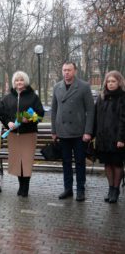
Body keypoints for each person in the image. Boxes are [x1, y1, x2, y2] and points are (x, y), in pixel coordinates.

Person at [51, 62, 95, 201]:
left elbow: (91, 110)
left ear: (75, 71)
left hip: (79, 132)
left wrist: (88, 131)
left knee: (80, 162)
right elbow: (54, 110)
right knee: (66, 162)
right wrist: (54, 130)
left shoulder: (84, 86)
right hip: (62, 131)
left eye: (69, 70)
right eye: (64, 70)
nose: (66, 73)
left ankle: (80, 189)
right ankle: (68, 189)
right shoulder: (57, 87)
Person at [0, 71, 44, 197]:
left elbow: (40, 114)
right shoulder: (8, 98)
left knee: (26, 161)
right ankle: (20, 185)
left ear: (25, 81)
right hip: (14, 135)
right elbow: (2, 114)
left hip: (28, 134)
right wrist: (8, 123)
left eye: (21, 80)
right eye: (16, 80)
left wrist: (29, 119)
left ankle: (26, 187)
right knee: (17, 161)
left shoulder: (33, 97)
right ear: (14, 83)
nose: (19, 82)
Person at [94, 71, 125, 203]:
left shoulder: (123, 97)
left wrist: (121, 138)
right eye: (108, 81)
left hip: (117, 139)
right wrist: (93, 134)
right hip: (103, 138)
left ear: (119, 83)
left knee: (117, 164)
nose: (111, 84)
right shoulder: (102, 97)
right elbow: (95, 118)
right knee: (107, 164)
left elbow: (124, 120)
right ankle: (110, 188)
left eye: (113, 81)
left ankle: (116, 190)